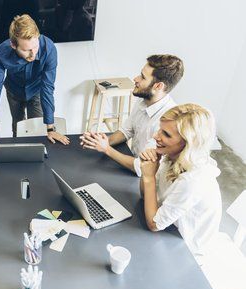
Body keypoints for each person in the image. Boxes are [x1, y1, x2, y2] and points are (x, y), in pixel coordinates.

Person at [80, 54, 184, 176]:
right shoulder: (143, 100)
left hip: (148, 178)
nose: (136, 79)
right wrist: (101, 141)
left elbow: (141, 167)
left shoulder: (167, 122)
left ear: (158, 86)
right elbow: (126, 131)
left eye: (143, 77)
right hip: (132, 161)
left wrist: (106, 149)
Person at [139, 104, 221, 256]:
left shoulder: (193, 181)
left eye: (166, 134)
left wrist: (149, 178)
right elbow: (145, 196)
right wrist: (147, 170)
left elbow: (154, 224)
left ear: (187, 143)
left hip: (186, 251)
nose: (156, 137)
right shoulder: (171, 155)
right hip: (171, 231)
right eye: (160, 129)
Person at [0, 14, 70, 147]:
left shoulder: (49, 49)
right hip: (13, 91)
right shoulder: (1, 52)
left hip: (37, 91)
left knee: (36, 129)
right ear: (13, 45)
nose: (33, 54)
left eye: (35, 47)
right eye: (26, 50)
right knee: (19, 127)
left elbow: (47, 88)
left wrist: (50, 128)